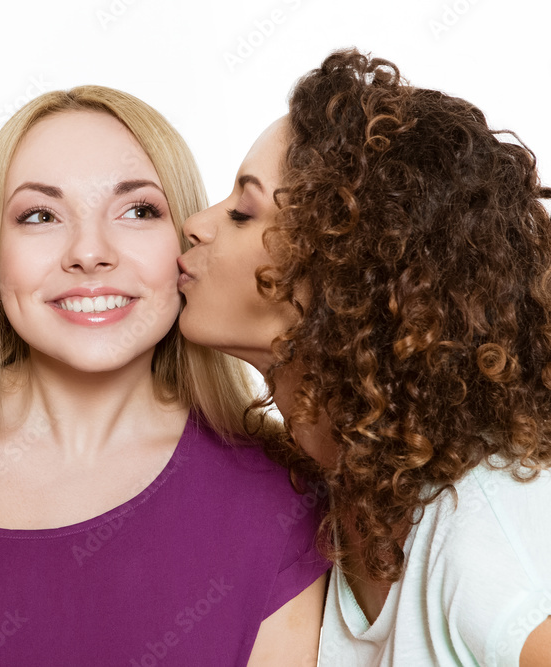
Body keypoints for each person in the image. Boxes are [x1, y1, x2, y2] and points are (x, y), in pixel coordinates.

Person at [0, 85, 329, 666]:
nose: (89, 252)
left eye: (138, 211)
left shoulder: (282, 498)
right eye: (41, 215)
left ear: (185, 242)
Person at [177, 48, 551, 666]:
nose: (196, 224)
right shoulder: (334, 497)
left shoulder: (486, 535)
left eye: (243, 212)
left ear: (347, 279)